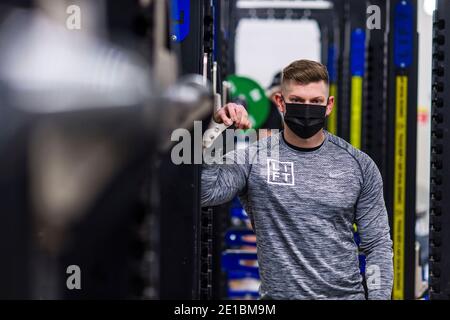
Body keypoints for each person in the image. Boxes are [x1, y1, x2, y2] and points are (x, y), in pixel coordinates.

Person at [201, 59, 393, 300]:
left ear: (329, 105)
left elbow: (377, 245)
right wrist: (214, 130)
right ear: (280, 101)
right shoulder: (254, 160)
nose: (307, 108)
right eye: (298, 101)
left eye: (315, 102)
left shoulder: (359, 166)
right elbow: (204, 193)